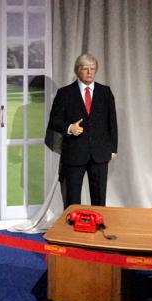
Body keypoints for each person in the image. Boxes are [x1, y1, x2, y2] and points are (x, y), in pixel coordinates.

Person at [47, 53, 118, 208]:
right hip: (74, 153)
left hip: (100, 154)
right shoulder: (64, 93)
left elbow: (112, 123)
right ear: (77, 70)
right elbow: (54, 121)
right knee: (72, 200)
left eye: (92, 68)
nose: (89, 72)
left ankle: (98, 221)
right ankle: (72, 223)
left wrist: (113, 148)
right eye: (85, 68)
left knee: (99, 199)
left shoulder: (105, 92)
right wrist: (70, 128)